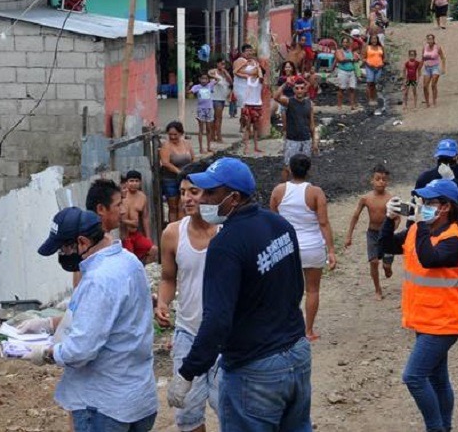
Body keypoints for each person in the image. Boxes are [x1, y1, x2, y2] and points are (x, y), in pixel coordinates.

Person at [166, 158, 311, 431]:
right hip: (297, 355)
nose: (203, 199)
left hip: (256, 370)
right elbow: (295, 289)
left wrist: (187, 373)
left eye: (211, 193)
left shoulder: (225, 244)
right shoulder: (279, 225)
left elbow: (217, 320)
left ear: (233, 198)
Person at [27, 207, 158, 431]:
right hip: (138, 397)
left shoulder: (99, 279)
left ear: (82, 242)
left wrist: (47, 353)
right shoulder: (129, 262)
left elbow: (80, 350)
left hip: (103, 406)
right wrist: (48, 324)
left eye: (63, 248)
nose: (62, 255)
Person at [380, 179, 458, 432]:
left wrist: (419, 222)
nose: (422, 206)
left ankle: (436, 428)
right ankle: (445, 427)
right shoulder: (418, 230)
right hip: (425, 319)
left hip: (443, 322)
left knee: (413, 376)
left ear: (445, 207)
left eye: (429, 202)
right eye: (422, 201)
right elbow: (385, 246)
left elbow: (429, 259)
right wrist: (389, 220)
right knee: (438, 379)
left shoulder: (453, 239)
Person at [155, 162, 221, 432]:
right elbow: (169, 278)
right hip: (188, 333)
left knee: (229, 407)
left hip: (224, 337)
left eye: (193, 191)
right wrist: (162, 302)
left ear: (210, 193)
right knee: (188, 413)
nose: (186, 199)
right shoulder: (172, 234)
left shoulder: (227, 232)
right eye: (183, 193)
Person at [270, 154, 337, 341]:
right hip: (312, 247)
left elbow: (273, 221)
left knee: (284, 289)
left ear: (289, 169)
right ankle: (308, 331)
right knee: (312, 290)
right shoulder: (316, 192)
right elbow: (323, 223)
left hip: (287, 247)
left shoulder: (278, 191)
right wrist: (331, 250)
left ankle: (285, 328)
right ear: (309, 170)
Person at [415, 138, 458, 325]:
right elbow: (417, 205)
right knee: (435, 273)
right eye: (442, 158)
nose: (445, 163)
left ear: (457, 157)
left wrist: (453, 180)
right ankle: (438, 310)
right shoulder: (426, 178)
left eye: (449, 159)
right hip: (433, 233)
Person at [344, 164, 399, 300]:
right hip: (373, 233)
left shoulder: (392, 199)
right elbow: (355, 216)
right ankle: (377, 289)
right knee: (374, 262)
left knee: (386, 267)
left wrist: (392, 229)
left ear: (388, 182)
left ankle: (388, 267)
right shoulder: (366, 198)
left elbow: (398, 217)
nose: (381, 182)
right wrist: (348, 236)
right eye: (378, 179)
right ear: (372, 181)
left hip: (387, 235)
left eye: (384, 179)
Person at [273, 75, 317, 181]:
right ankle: (283, 190)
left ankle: (303, 190)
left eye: (302, 88)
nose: (299, 91)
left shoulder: (309, 103)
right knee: (288, 167)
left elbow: (312, 124)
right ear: (293, 90)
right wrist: (285, 84)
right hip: (292, 140)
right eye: (297, 88)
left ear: (305, 89)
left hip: (306, 139)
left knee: (305, 168)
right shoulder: (289, 102)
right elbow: (275, 97)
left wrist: (314, 141)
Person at [160, 121, 195, 223]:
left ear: (180, 133)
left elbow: (193, 158)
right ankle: (173, 228)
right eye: (170, 134)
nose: (173, 137)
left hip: (185, 179)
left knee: (183, 205)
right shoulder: (166, 146)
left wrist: (190, 171)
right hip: (170, 180)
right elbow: (166, 163)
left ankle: (183, 227)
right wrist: (179, 172)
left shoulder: (187, 144)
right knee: (173, 207)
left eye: (175, 134)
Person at [121, 170, 159, 264]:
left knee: (153, 249)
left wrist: (148, 237)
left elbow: (145, 218)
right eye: (131, 181)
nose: (134, 183)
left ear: (140, 183)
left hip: (136, 234)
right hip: (124, 235)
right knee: (130, 259)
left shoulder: (142, 197)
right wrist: (129, 222)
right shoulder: (122, 196)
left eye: (136, 181)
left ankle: (141, 268)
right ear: (127, 182)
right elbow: (118, 219)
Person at [238, 61, 265, 155]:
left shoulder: (260, 81)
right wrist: (244, 63)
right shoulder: (248, 78)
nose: (253, 69)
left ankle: (256, 147)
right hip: (248, 105)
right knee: (247, 127)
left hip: (257, 105)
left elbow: (261, 77)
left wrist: (258, 67)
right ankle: (246, 147)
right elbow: (236, 71)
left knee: (256, 128)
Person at [190, 73, 216, 154]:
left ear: (208, 80)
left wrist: (212, 75)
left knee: (209, 129)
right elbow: (189, 92)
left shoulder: (210, 85)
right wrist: (188, 86)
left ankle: (208, 147)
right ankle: (201, 148)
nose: (204, 80)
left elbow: (218, 80)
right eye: (202, 78)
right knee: (201, 129)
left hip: (209, 109)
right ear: (199, 79)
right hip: (201, 109)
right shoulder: (196, 87)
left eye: (206, 79)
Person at [333, 36, 359, 111]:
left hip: (351, 71)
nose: (345, 44)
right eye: (343, 42)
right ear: (341, 43)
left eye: (346, 42)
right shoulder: (338, 51)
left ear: (348, 43)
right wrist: (351, 59)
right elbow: (341, 60)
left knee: (352, 88)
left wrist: (355, 59)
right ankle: (339, 105)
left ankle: (352, 104)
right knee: (341, 89)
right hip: (343, 71)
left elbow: (355, 58)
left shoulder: (351, 51)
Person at [210, 60, 232, 143]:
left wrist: (225, 73)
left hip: (222, 99)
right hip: (215, 98)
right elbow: (210, 76)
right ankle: (218, 136)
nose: (223, 65)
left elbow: (231, 82)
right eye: (221, 63)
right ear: (217, 64)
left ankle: (213, 136)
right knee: (218, 118)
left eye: (224, 64)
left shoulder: (225, 74)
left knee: (217, 118)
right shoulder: (214, 72)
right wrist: (217, 75)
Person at [422, 34, 446, 108]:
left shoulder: (437, 47)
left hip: (435, 67)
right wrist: (419, 68)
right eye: (428, 39)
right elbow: (422, 58)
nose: (430, 40)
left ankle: (434, 101)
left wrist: (443, 68)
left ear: (433, 40)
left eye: (431, 39)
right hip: (427, 68)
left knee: (433, 84)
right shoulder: (425, 47)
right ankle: (427, 102)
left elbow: (443, 57)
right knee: (425, 86)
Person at [232, 44, 255, 118]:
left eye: (250, 51)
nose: (249, 53)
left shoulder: (252, 62)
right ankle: (243, 125)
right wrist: (246, 76)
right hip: (241, 87)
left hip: (250, 87)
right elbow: (236, 72)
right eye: (247, 51)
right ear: (242, 52)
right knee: (244, 107)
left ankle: (244, 125)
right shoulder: (239, 60)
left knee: (248, 107)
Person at [362, 35, 386, 107]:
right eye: (372, 39)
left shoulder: (381, 47)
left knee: (375, 83)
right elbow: (363, 58)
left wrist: (383, 63)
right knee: (370, 83)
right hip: (370, 67)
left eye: (375, 39)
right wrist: (368, 64)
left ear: (377, 40)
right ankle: (370, 99)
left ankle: (374, 98)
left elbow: (384, 57)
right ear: (370, 40)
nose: (374, 40)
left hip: (379, 67)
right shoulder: (367, 47)